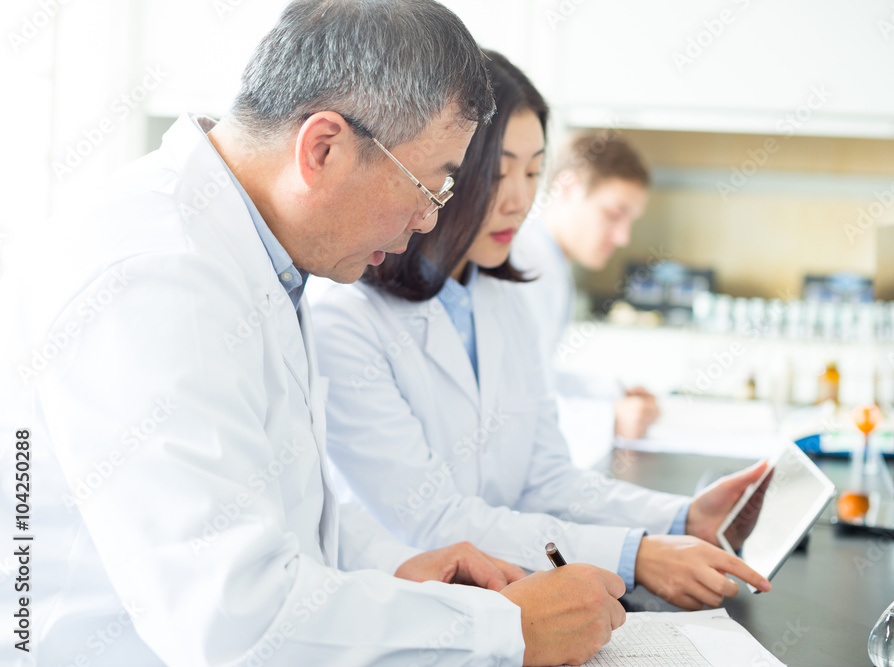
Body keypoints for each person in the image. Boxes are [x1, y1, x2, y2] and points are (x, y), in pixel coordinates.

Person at [0, 3, 626, 666]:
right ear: (322, 148)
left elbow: (284, 506)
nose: (425, 220)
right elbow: (233, 615)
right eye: (431, 185)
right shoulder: (158, 272)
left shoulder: (254, 251)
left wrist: (400, 565)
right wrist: (504, 629)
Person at [308, 50, 771, 613]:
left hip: (507, 603)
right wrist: (635, 556)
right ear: (443, 168)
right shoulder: (347, 319)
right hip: (418, 618)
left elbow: (547, 479)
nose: (520, 199)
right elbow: (433, 519)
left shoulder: (501, 297)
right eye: (498, 171)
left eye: (532, 172)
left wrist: (679, 518)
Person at [513, 133, 660, 463]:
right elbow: (509, 403)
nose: (623, 237)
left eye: (630, 221)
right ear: (567, 188)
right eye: (613, 214)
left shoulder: (552, 266)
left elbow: (539, 378)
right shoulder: (520, 264)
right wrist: (611, 420)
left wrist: (614, 392)